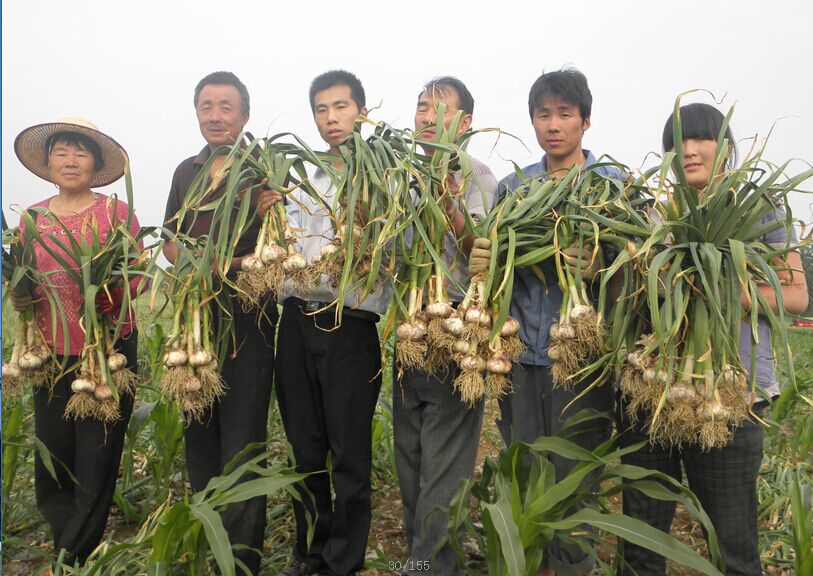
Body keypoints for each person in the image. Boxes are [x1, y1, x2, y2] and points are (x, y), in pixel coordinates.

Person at [616, 102, 809, 576]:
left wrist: (723, 289)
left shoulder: (759, 209)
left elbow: (795, 296)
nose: (688, 150)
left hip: (729, 397)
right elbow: (629, 293)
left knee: (732, 545)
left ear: (726, 147)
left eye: (701, 138)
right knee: (640, 542)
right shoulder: (654, 214)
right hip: (655, 391)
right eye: (676, 142)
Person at [469, 68, 616, 576]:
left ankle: (572, 566)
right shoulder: (514, 187)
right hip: (522, 352)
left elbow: (640, 272)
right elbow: (497, 270)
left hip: (583, 356)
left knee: (576, 472)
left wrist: (602, 265)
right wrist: (485, 262)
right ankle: (531, 562)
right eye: (543, 115)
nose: (553, 125)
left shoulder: (610, 185)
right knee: (526, 464)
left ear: (585, 121)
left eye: (564, 114)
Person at [161, 71, 278, 575]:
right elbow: (170, 238)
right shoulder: (185, 171)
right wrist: (192, 264)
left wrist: (223, 265)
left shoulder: (263, 168)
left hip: (249, 312)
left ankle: (243, 558)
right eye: (206, 106)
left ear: (244, 116)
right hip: (195, 315)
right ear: (196, 114)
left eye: (225, 106)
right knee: (199, 427)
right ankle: (209, 543)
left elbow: (275, 246)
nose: (215, 115)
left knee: (243, 434)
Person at [273, 69, 388, 576]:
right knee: (305, 447)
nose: (330, 117)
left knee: (349, 453)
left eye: (340, 107)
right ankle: (309, 553)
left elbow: (396, 249)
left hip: (350, 323)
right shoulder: (299, 177)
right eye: (321, 109)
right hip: (296, 320)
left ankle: (344, 560)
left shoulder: (385, 176)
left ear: (362, 111)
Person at [11, 118, 139, 571]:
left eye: (80, 152)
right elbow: (22, 282)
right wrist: (18, 294)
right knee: (53, 456)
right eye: (61, 152)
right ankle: (65, 540)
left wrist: (111, 292)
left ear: (96, 163)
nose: (70, 160)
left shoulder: (116, 213)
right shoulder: (31, 218)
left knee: (96, 457)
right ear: (48, 163)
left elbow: (137, 274)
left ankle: (72, 558)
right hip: (48, 355)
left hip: (106, 354)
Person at [393, 76, 497, 576]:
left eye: (441, 107)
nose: (427, 116)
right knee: (409, 450)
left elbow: (482, 246)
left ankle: (432, 566)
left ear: (466, 122)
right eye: (421, 106)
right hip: (410, 325)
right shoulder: (398, 173)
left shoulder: (478, 176)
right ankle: (424, 555)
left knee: (445, 459)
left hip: (456, 322)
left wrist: (448, 199)